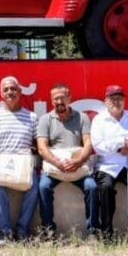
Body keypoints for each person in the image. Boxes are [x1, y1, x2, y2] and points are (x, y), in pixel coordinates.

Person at [90, 84, 128, 245]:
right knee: (105, 189)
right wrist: (119, 144)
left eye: (120, 99)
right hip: (108, 166)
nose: (117, 102)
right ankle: (107, 235)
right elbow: (98, 146)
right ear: (106, 101)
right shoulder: (99, 120)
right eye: (113, 99)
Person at [0, 77, 40, 244]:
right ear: (1, 94)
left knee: (34, 186)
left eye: (13, 89)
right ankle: (5, 234)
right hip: (3, 164)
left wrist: (33, 150)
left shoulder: (31, 117)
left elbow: (38, 144)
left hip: (24, 164)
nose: (10, 92)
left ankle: (22, 231)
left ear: (20, 92)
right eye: (6, 89)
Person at [36, 83, 96, 237]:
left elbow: (88, 143)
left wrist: (78, 161)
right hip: (55, 168)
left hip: (78, 167)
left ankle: (93, 231)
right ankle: (48, 232)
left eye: (62, 98)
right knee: (43, 187)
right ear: (51, 100)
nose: (58, 101)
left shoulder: (82, 117)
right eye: (55, 99)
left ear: (69, 98)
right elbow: (42, 147)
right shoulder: (45, 120)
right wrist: (57, 163)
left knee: (92, 187)